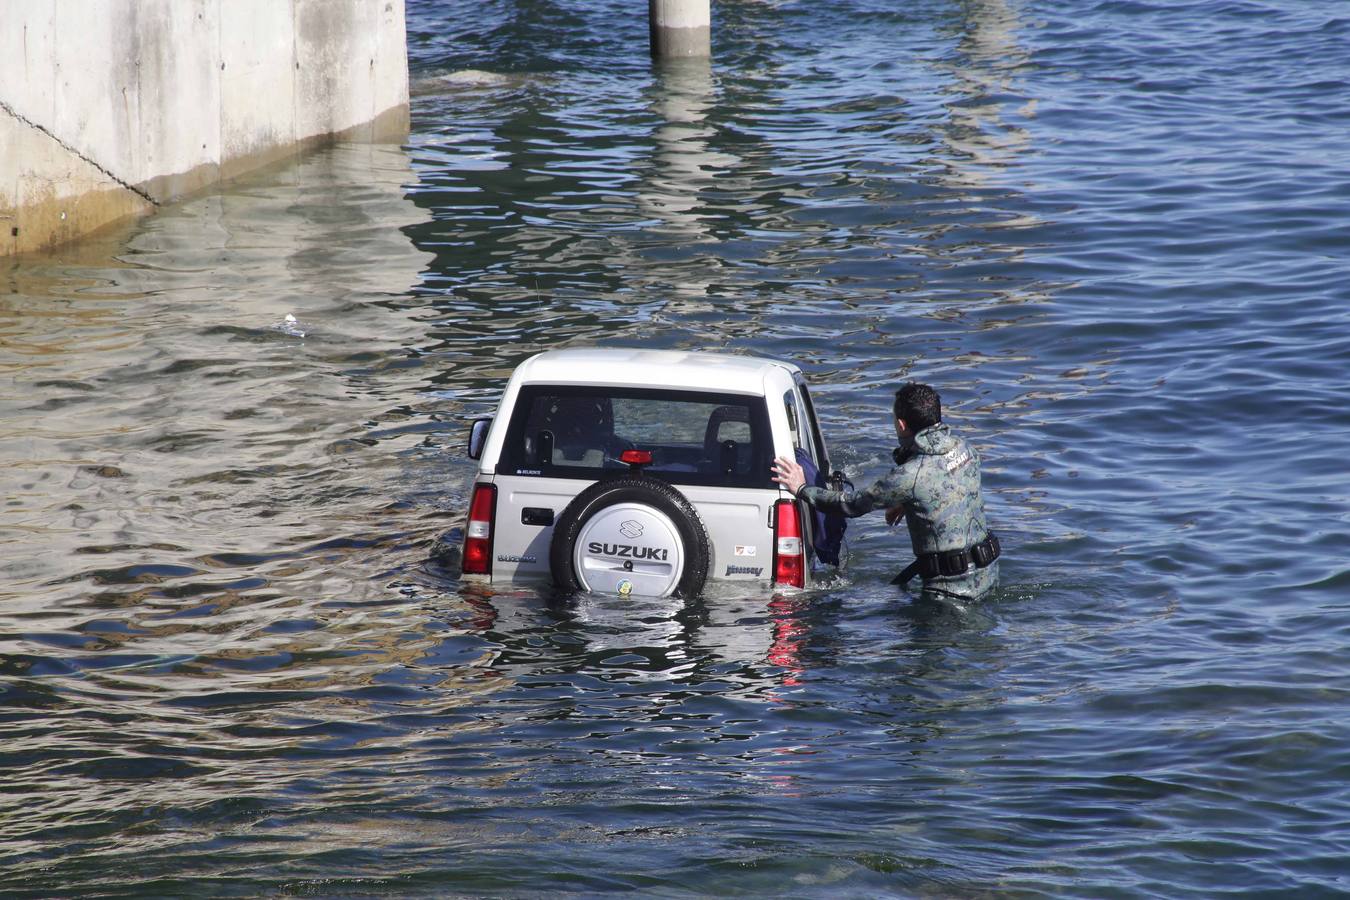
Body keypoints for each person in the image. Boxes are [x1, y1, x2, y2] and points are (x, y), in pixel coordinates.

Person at [771, 382, 999, 600]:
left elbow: (851, 504)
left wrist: (802, 488)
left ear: (901, 425)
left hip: (949, 593)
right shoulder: (964, 448)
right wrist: (907, 501)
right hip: (986, 576)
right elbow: (953, 485)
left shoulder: (910, 475)